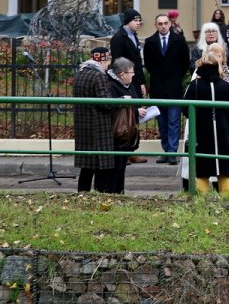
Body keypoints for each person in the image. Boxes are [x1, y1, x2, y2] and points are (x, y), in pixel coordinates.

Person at [183, 50, 229, 194]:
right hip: (223, 130)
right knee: (224, 168)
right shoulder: (225, 85)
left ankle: (202, 201)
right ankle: (226, 200)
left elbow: (185, 109)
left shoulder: (194, 85)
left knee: (202, 170)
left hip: (201, 130)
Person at [143, 13, 191, 164]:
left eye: (165, 23)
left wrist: (175, 76)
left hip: (174, 87)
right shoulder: (150, 42)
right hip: (157, 87)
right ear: (156, 25)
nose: (163, 26)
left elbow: (185, 63)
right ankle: (166, 150)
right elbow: (148, 64)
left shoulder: (179, 40)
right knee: (162, 122)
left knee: (173, 121)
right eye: (160, 24)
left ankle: (172, 152)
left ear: (170, 24)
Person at [73, 47, 116, 193]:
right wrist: (121, 101)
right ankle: (101, 196)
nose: (109, 65)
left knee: (86, 168)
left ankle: (82, 196)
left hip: (83, 126)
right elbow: (105, 103)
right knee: (101, 167)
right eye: (108, 61)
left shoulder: (80, 73)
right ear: (103, 60)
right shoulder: (98, 76)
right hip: (98, 127)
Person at [105, 57, 146, 192]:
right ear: (122, 74)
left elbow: (135, 100)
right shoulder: (112, 86)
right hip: (117, 132)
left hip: (128, 130)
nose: (133, 75)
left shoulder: (129, 85)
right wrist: (135, 110)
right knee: (116, 166)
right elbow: (115, 108)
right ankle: (113, 192)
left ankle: (119, 192)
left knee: (122, 165)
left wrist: (138, 109)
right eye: (131, 73)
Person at [110, 8, 146, 97]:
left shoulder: (134, 36)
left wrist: (142, 82)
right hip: (125, 80)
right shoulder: (118, 38)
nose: (138, 23)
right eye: (135, 20)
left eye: (139, 21)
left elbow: (138, 61)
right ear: (127, 21)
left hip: (135, 79)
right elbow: (116, 61)